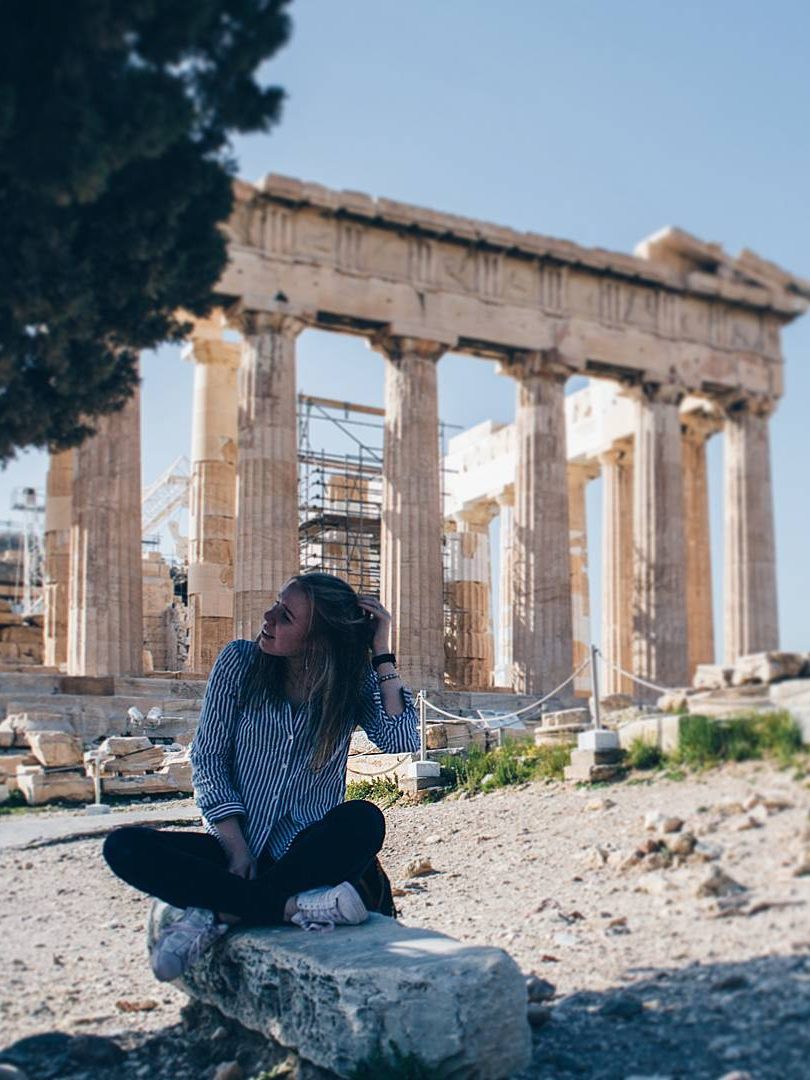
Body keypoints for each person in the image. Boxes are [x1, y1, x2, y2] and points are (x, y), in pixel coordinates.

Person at [103, 572, 420, 981]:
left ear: (318, 640)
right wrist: (236, 850)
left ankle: (223, 911)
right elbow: (209, 759)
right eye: (275, 604)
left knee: (363, 820)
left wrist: (381, 652)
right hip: (238, 847)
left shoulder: (349, 683)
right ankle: (288, 906)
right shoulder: (239, 662)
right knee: (124, 847)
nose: (267, 617)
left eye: (285, 616)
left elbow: (399, 736)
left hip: (305, 853)